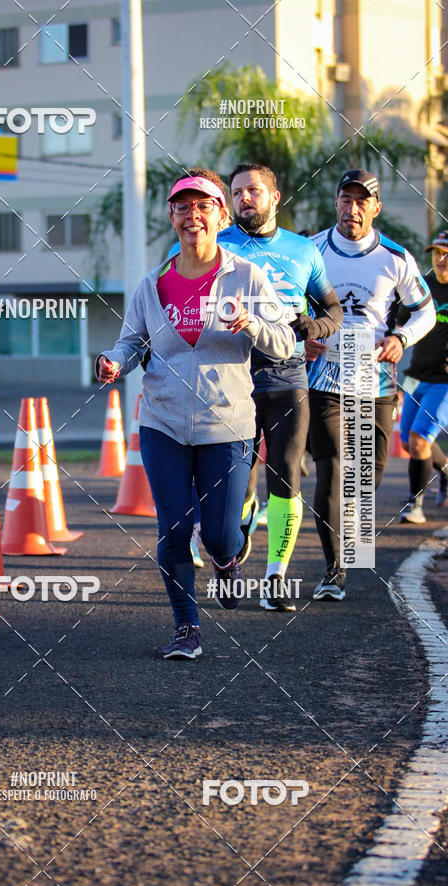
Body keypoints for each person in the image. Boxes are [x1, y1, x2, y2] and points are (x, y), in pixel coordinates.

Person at [96, 169, 295, 659]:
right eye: (183, 207)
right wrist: (114, 362)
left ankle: (226, 561)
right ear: (172, 216)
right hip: (161, 422)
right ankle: (187, 628)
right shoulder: (153, 284)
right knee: (174, 531)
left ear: (221, 215)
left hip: (226, 424)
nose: (193, 216)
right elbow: (131, 341)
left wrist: (252, 324)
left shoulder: (247, 277)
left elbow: (287, 342)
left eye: (204, 206)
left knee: (222, 536)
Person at [171, 164, 343, 611]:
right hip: (231, 378)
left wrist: (315, 327)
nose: (244, 198)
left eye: (253, 191)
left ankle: (275, 579)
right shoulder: (212, 243)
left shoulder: (303, 250)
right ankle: (237, 533)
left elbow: (332, 308)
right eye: (237, 192)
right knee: (237, 484)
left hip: (287, 375)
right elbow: (173, 296)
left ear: (275, 196)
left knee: (285, 475)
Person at [306, 169, 435, 599]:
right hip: (323, 374)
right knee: (331, 467)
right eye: (346, 199)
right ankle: (334, 569)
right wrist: (301, 336)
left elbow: (426, 312)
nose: (353, 208)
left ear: (376, 208)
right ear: (336, 203)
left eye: (362, 201)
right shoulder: (312, 250)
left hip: (373, 376)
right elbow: (284, 301)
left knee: (365, 477)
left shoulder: (395, 257)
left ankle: (351, 532)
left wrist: (401, 339)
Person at [398, 231, 448, 522]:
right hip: (416, 376)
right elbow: (400, 322)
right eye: (437, 252)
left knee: (419, 440)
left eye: (446, 254)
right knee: (409, 443)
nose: (441, 259)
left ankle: (414, 505)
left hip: (444, 383)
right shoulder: (423, 287)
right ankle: (445, 470)